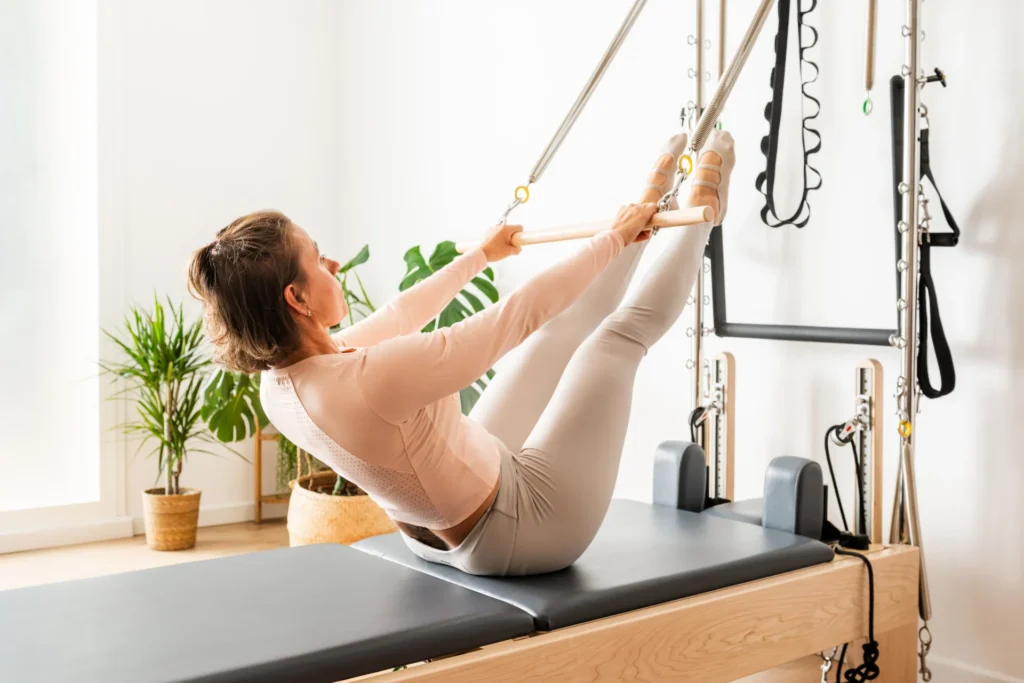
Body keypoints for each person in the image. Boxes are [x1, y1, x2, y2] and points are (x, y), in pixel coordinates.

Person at [187, 129, 735, 576]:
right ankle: (704, 214)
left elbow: (401, 313)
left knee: (553, 336)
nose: (333, 264)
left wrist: (482, 255)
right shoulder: (369, 380)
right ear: (297, 299)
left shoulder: (286, 377)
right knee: (613, 344)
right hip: (526, 529)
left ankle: (644, 215)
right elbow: (514, 315)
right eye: (318, 257)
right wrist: (610, 238)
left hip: (444, 527)